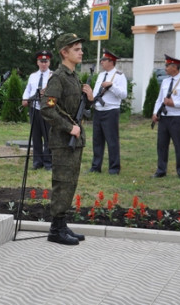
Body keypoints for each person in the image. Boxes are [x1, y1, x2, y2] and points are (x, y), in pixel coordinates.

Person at [40, 33, 93, 245]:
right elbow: (47, 108)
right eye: (76, 49)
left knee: (70, 183)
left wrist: (89, 99)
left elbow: (75, 108)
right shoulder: (59, 77)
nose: (81, 52)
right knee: (62, 183)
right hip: (63, 141)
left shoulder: (73, 77)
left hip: (75, 140)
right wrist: (69, 127)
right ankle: (55, 230)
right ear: (64, 52)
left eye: (80, 48)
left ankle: (61, 224)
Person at [151, 54, 180, 179]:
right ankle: (161, 170)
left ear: (174, 67)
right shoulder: (165, 81)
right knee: (162, 145)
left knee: (179, 145)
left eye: (167, 65)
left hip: (177, 118)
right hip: (164, 117)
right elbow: (160, 99)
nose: (165, 67)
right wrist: (155, 113)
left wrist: (174, 104)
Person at [89, 49, 128, 175]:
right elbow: (96, 92)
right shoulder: (101, 75)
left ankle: (114, 168)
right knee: (97, 140)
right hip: (98, 110)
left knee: (112, 141)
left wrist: (111, 86)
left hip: (111, 111)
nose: (101, 62)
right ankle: (96, 166)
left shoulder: (119, 76)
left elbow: (123, 94)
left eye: (104, 60)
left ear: (111, 61)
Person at [22, 50, 53, 170]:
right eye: (41, 61)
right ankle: (37, 161)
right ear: (37, 62)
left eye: (46, 61)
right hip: (34, 108)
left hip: (47, 109)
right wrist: (24, 99)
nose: (44, 64)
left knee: (48, 137)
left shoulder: (53, 75)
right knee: (36, 136)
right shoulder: (33, 76)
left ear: (49, 62)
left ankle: (48, 162)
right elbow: (28, 89)